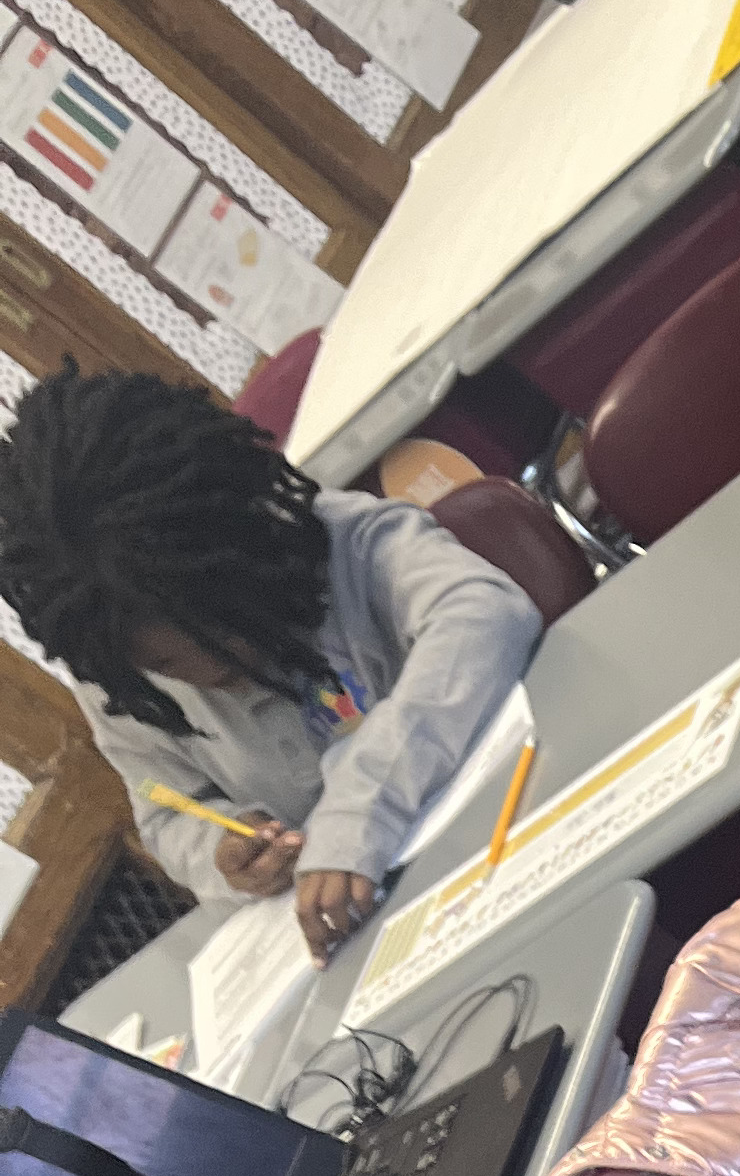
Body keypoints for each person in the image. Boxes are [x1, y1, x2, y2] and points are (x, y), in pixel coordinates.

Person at [0, 373, 539, 961]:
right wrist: (219, 851)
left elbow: (482, 612)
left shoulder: (339, 542)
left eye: (225, 623)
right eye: (166, 662)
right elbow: (159, 801)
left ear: (248, 550)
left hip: (519, 817)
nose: (211, 669)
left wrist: (364, 801)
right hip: (388, 927)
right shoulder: (122, 681)